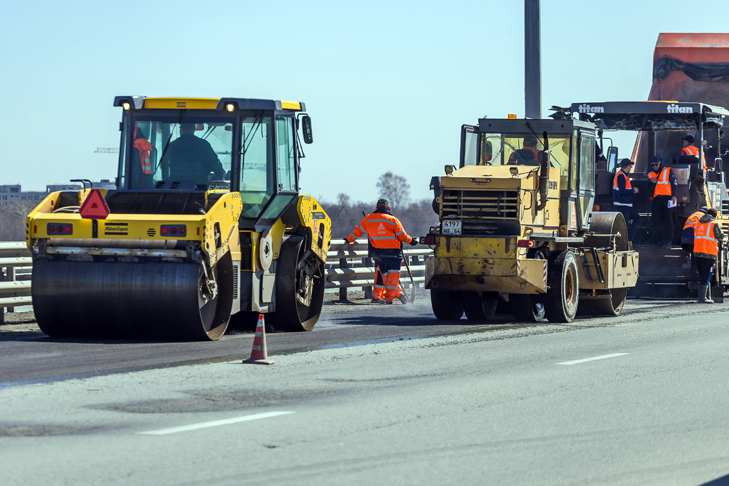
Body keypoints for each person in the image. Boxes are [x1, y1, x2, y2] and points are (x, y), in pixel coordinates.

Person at [345, 198, 417, 304]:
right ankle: (392, 296)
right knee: (392, 278)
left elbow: (357, 232)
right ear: (387, 207)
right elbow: (402, 236)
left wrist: (348, 240)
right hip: (393, 254)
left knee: (382, 275)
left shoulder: (368, 219)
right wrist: (411, 241)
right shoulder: (392, 220)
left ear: (376, 207)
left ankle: (383, 296)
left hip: (379, 254)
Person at [692, 208, 723, 303]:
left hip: (697, 253)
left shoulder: (697, 223)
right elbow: (720, 236)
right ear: (714, 215)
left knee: (701, 275)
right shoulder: (714, 224)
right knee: (705, 275)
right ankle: (702, 298)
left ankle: (705, 296)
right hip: (708, 254)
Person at [647, 157, 678, 246]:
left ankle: (668, 240)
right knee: (656, 220)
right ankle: (657, 240)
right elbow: (649, 186)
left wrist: (674, 196)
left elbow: (674, 183)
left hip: (668, 198)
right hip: (657, 199)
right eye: (652, 165)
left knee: (668, 219)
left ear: (660, 163)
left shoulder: (667, 171)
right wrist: (650, 196)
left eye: (656, 164)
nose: (654, 166)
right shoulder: (650, 173)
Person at [612, 158, 638, 240]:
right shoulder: (621, 176)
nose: (631, 167)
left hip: (624, 204)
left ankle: (627, 240)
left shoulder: (623, 175)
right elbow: (622, 191)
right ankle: (626, 241)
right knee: (625, 224)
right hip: (622, 204)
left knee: (633, 219)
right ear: (627, 166)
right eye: (630, 165)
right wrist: (633, 190)